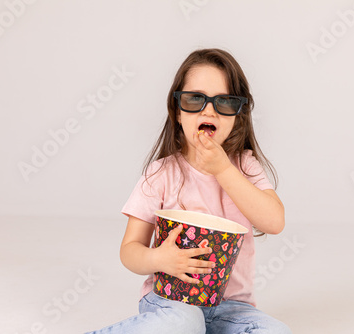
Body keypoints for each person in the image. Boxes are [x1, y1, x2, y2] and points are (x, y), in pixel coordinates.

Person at [86, 48, 292, 334]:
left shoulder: (244, 167)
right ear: (178, 112)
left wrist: (223, 169)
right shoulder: (162, 173)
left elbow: (275, 221)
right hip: (172, 301)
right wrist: (158, 259)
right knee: (185, 323)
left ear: (237, 116)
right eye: (195, 99)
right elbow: (129, 250)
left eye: (224, 102)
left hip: (232, 307)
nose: (209, 110)